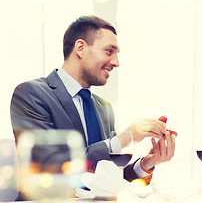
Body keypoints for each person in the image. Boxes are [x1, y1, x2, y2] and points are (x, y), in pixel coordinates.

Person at [10, 15, 176, 187]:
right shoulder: (31, 94)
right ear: (81, 48)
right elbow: (51, 167)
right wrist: (126, 138)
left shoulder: (104, 107)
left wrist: (147, 163)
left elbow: (109, 178)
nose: (116, 62)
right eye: (109, 51)